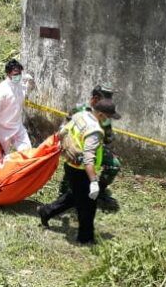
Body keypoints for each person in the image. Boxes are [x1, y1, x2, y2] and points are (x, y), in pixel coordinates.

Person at [38, 98, 120, 245]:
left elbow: (62, 132)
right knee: (88, 206)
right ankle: (86, 238)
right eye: (108, 117)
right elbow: (89, 158)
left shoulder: (80, 116)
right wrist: (94, 182)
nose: (109, 120)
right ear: (101, 114)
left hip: (71, 166)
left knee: (75, 196)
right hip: (83, 171)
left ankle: (46, 211)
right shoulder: (95, 130)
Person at [68, 83, 122, 212]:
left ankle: (99, 191)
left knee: (114, 164)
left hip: (96, 149)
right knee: (74, 168)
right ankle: (66, 194)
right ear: (95, 99)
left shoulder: (104, 114)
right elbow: (65, 128)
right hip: (75, 149)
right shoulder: (79, 109)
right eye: (105, 99)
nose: (108, 102)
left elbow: (108, 138)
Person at [0, 59, 32, 159]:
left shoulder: (20, 85)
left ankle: (23, 173)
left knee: (28, 153)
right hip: (2, 128)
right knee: (0, 158)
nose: (18, 76)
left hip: (18, 126)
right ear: (8, 74)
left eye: (20, 73)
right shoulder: (1, 90)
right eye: (15, 74)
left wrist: (27, 82)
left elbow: (24, 89)